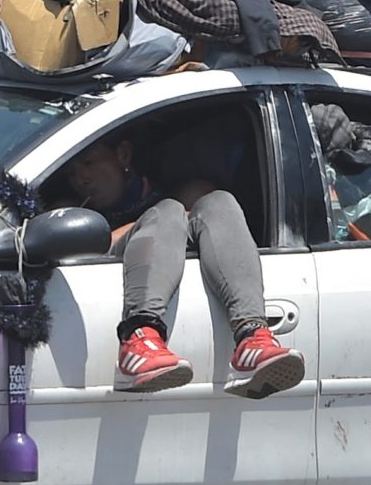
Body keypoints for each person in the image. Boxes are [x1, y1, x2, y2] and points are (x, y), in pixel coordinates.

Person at [61, 133, 305, 399]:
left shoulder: (182, 194)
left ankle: (253, 337)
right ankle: (139, 339)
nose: (81, 178)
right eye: (71, 173)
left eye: (89, 162)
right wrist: (158, 222)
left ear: (123, 155)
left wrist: (181, 222)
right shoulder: (68, 212)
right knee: (166, 211)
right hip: (120, 255)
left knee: (219, 201)